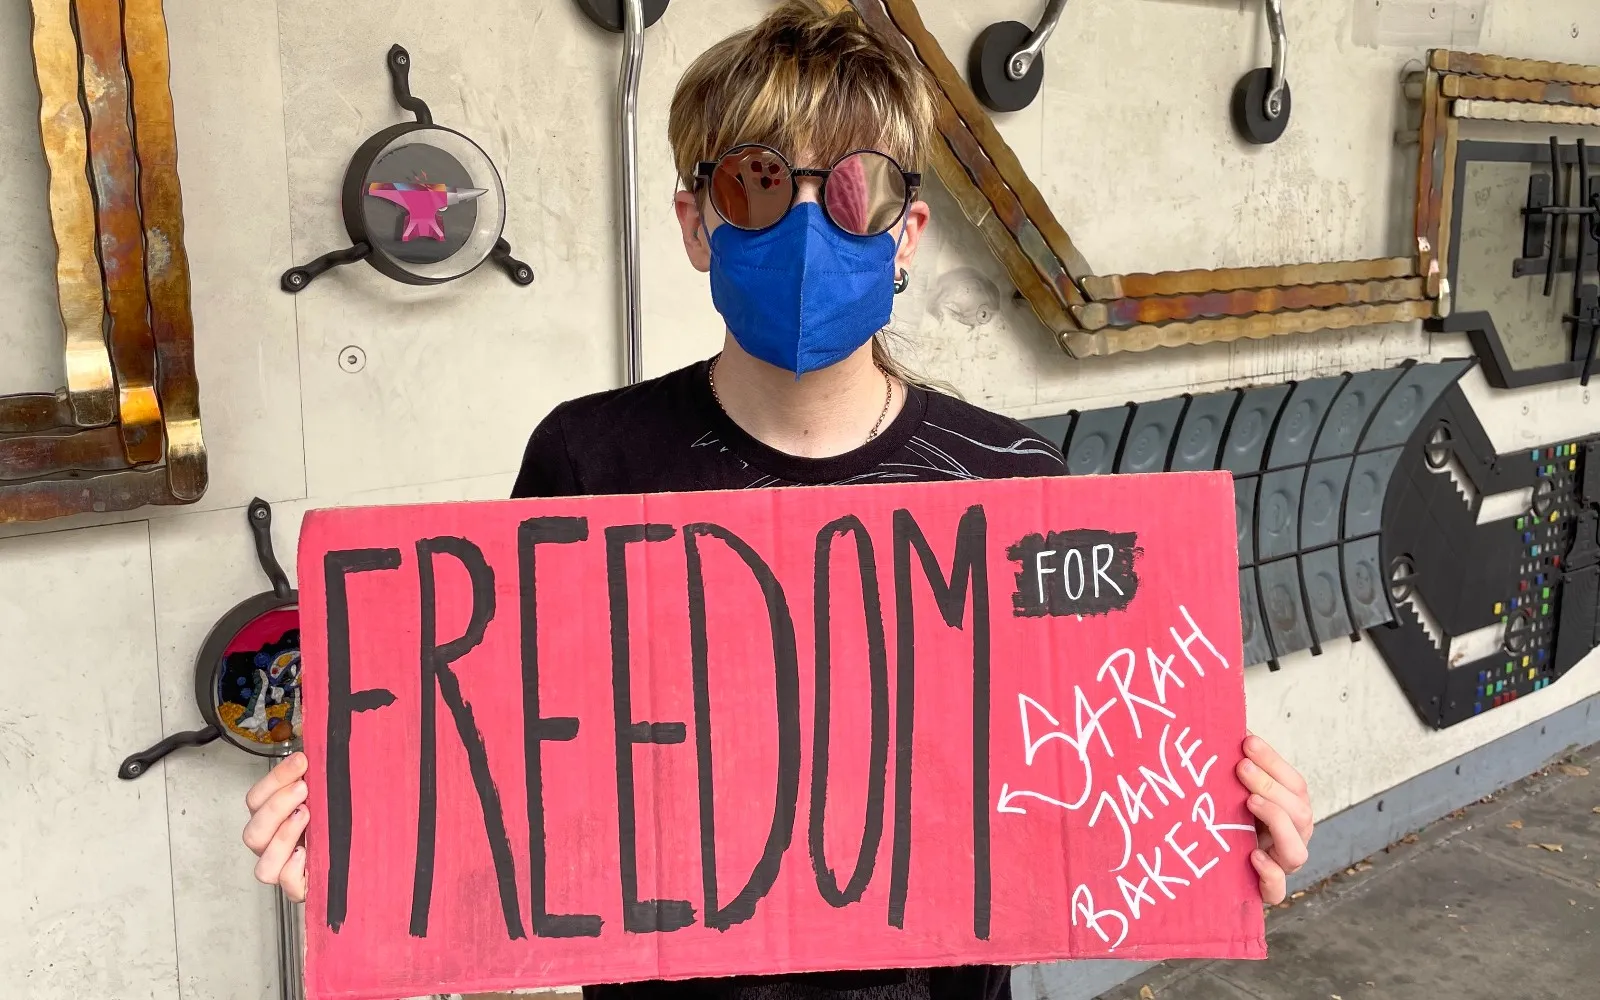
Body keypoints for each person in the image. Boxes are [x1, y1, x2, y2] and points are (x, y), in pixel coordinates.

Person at [242, 3, 1315, 998]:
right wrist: (374, 838)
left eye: (854, 192)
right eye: (756, 184)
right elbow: (514, 772)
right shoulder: (589, 460)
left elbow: (1073, 791)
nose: (809, 228)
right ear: (695, 222)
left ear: (905, 233)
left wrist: (1217, 825)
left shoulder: (1010, 483)